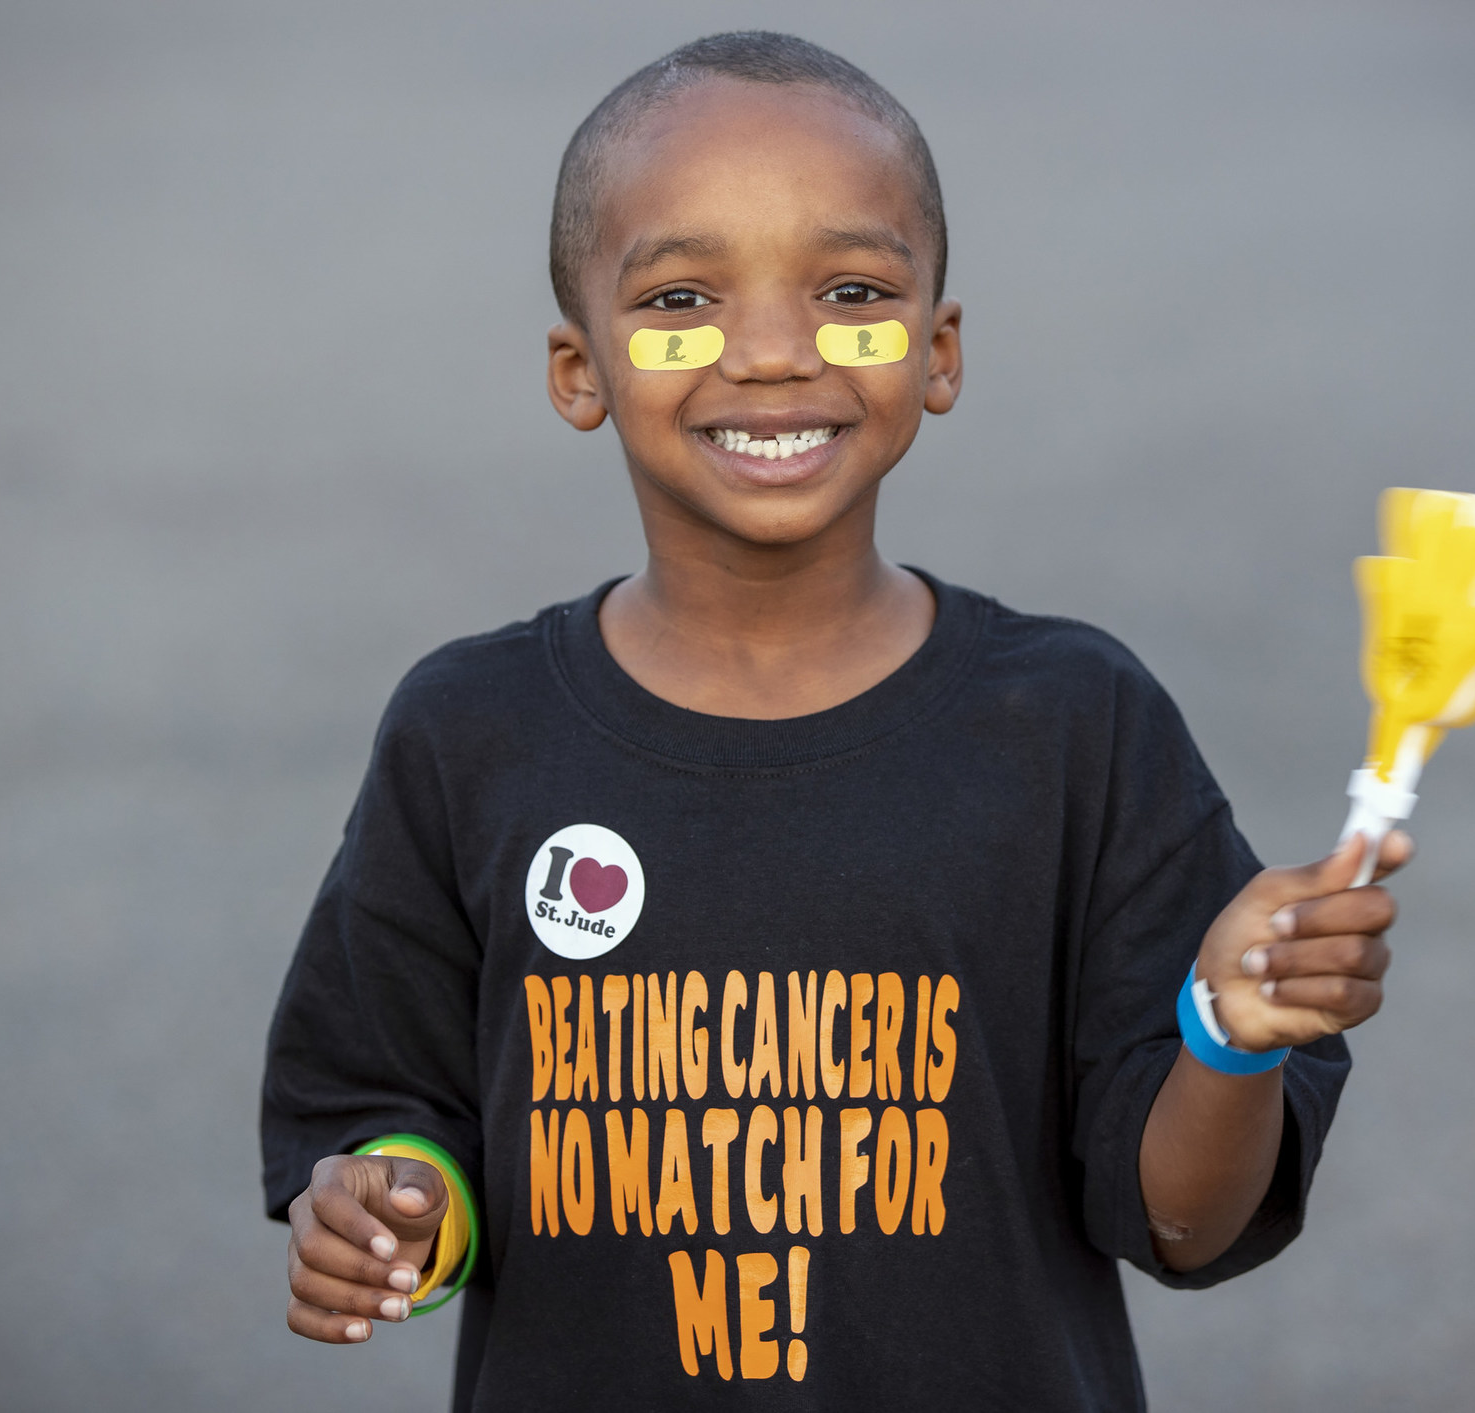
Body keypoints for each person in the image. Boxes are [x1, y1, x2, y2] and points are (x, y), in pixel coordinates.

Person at [260, 31, 1406, 1410]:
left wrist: (1231, 1031)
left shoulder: (1070, 725)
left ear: (937, 348)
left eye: (850, 290)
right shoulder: (469, 732)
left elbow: (1186, 1220)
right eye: (682, 296)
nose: (767, 353)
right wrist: (390, 1206)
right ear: (581, 370)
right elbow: (388, 1107)